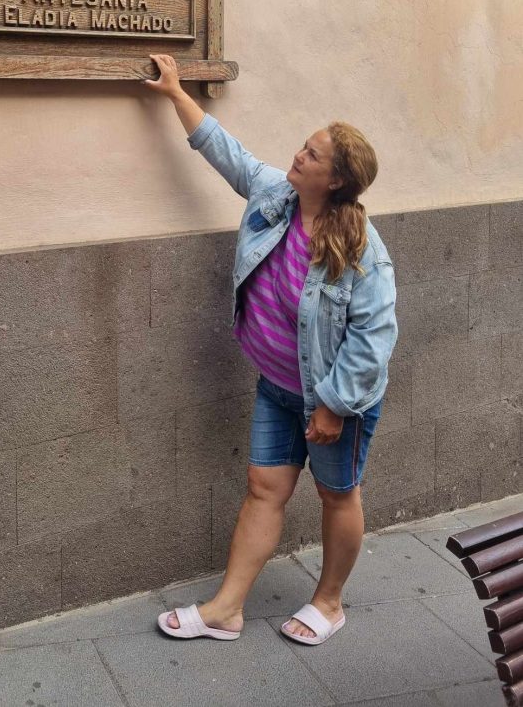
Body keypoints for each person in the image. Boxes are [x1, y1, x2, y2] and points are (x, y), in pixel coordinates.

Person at [145, 53, 398, 647]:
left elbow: (375, 337)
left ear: (334, 179)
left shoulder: (361, 249)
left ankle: (329, 602)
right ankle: (226, 610)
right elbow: (223, 149)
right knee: (264, 487)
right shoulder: (275, 198)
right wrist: (175, 93)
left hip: (338, 403)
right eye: (302, 147)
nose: (297, 156)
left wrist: (333, 405)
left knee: (338, 495)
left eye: (311, 154)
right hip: (278, 389)